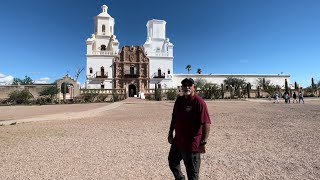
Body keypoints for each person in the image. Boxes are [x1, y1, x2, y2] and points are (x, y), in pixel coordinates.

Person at [168, 78, 211, 180]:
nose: (187, 87)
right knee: (172, 161)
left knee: (193, 175)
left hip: (192, 145)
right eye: (184, 85)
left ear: (193, 87)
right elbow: (174, 117)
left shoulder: (199, 102)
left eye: (189, 85)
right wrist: (170, 133)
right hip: (178, 142)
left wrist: (203, 142)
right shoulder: (179, 100)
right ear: (181, 87)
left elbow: (206, 123)